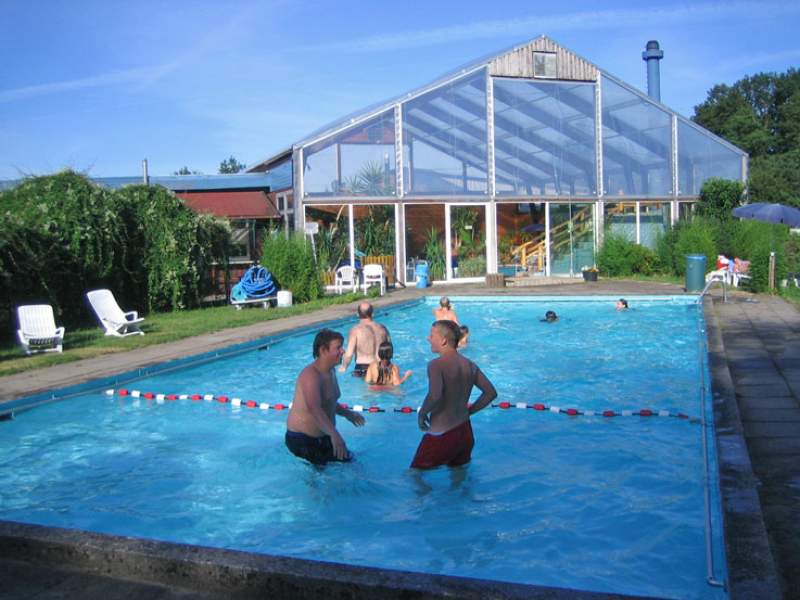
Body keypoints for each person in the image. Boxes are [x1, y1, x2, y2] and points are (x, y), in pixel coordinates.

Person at [411, 320, 497, 469]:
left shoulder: (436, 365)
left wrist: (422, 413)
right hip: (465, 432)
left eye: (431, 335)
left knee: (415, 477)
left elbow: (435, 395)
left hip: (441, 435)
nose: (428, 338)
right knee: (459, 477)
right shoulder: (469, 364)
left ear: (443, 340)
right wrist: (470, 412)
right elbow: (490, 393)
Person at [286, 329, 365, 465]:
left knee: (351, 464)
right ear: (323, 350)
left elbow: (329, 402)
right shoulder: (311, 376)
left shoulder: (331, 371)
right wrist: (335, 435)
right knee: (321, 477)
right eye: (338, 347)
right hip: (302, 440)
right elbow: (314, 409)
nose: (343, 351)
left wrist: (348, 414)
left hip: (325, 436)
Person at [339, 302, 390, 377]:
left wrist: (343, 367)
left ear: (358, 314)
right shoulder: (383, 328)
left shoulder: (355, 330)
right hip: (383, 367)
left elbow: (349, 354)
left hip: (364, 369)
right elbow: (389, 349)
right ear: (372, 314)